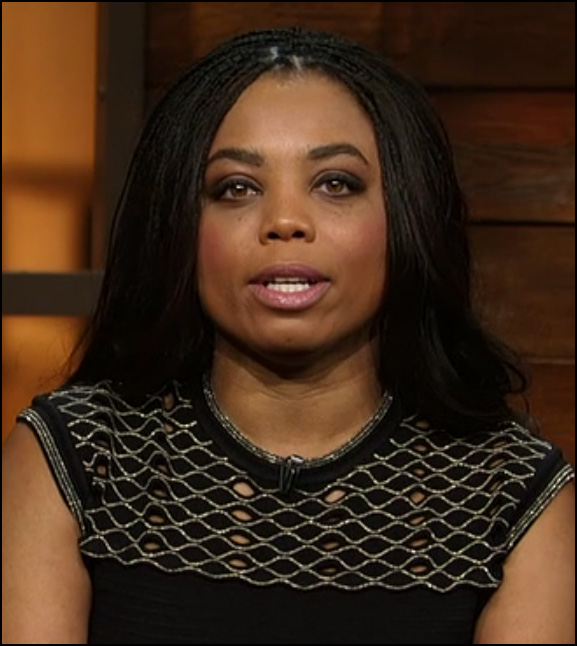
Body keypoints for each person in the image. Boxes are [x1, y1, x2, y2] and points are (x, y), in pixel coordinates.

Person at [2, 26, 574, 645]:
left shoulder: (507, 491)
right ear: (178, 225)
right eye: (236, 188)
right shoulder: (79, 457)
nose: (284, 222)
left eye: (336, 183)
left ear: (408, 216)